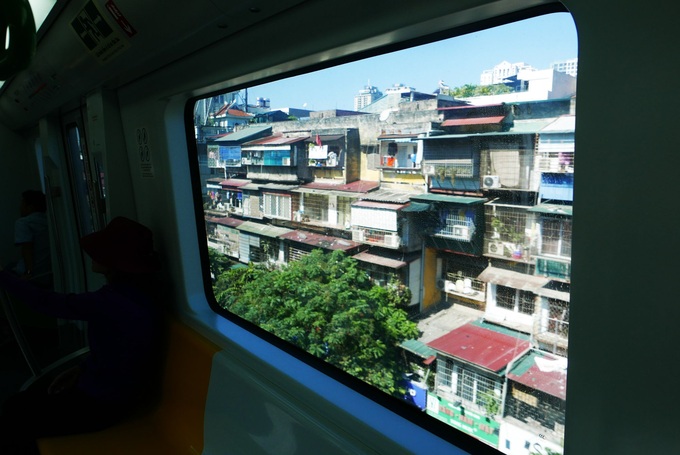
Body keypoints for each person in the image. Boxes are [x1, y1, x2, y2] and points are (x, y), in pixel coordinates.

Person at [0, 216, 163, 455]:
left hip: (102, 404)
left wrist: (3, 277)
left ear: (113, 262)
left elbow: (48, 303)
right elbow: (119, 353)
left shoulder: (114, 302)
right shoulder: (136, 297)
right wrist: (82, 369)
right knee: (22, 405)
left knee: (15, 414)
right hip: (114, 395)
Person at [12, 190, 51, 285]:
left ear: (30, 207)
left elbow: (27, 248)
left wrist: (28, 272)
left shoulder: (23, 222)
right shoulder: (49, 221)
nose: (20, 208)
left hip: (33, 273)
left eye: (22, 204)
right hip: (48, 271)